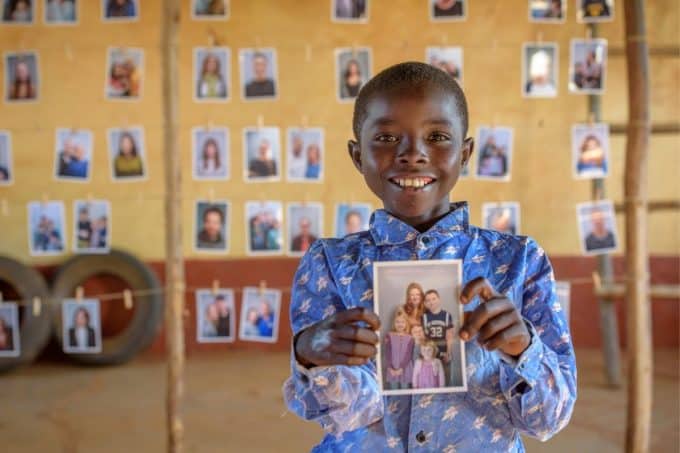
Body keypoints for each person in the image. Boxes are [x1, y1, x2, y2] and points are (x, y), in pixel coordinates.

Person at [285, 62, 575, 450]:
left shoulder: (520, 261)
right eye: (386, 138)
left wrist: (524, 349)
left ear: (466, 152)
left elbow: (548, 420)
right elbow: (346, 414)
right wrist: (310, 358)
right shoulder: (329, 265)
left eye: (437, 136)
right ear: (357, 157)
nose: (412, 154)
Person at [421, 289, 453, 367]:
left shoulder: (447, 315)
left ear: (439, 300)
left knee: (444, 376)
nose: (431, 302)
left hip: (443, 351)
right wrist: (424, 354)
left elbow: (449, 337)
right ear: (425, 303)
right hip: (429, 353)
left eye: (434, 299)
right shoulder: (423, 317)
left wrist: (448, 352)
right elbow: (423, 339)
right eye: (428, 300)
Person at [383, 311, 414, 390]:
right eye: (397, 322)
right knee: (394, 390)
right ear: (394, 323)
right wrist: (390, 368)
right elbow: (387, 353)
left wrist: (401, 368)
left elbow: (408, 355)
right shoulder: (389, 336)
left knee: (405, 390)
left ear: (406, 323)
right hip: (392, 368)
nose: (400, 324)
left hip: (405, 368)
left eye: (402, 322)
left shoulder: (410, 338)